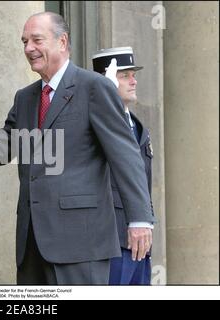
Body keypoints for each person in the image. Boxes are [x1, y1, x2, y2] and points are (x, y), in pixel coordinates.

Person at [0, 12, 155, 285]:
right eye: (24, 41)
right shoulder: (26, 98)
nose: (29, 48)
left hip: (81, 245)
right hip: (32, 246)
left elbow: (126, 155)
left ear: (62, 42)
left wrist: (139, 219)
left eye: (37, 40)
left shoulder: (94, 87)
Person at [92, 47, 154, 285]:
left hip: (140, 240)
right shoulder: (96, 121)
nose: (133, 80)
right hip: (112, 240)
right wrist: (104, 98)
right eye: (124, 75)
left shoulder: (137, 126)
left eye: (133, 74)